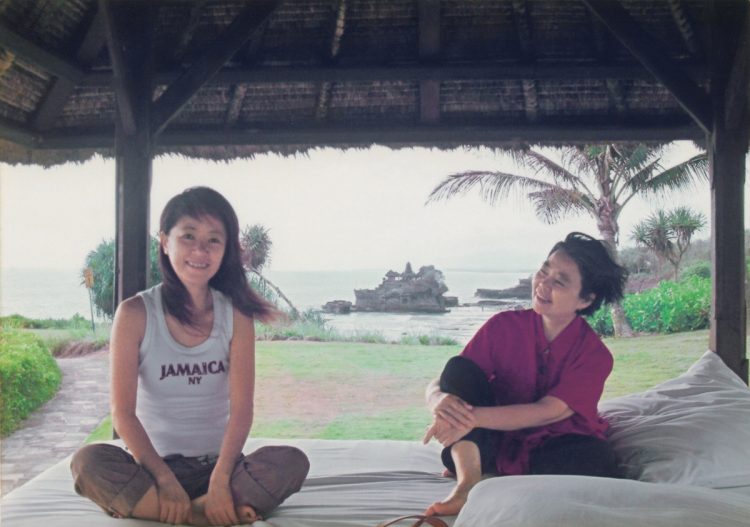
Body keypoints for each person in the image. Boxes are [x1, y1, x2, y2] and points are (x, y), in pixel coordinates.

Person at [70, 187, 309, 525]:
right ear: (165, 242)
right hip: (153, 468)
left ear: (225, 250)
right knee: (88, 462)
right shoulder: (135, 313)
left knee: (291, 462)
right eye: (188, 236)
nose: (200, 249)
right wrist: (165, 479)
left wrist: (222, 479)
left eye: (214, 240)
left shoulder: (236, 315)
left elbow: (242, 410)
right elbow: (122, 414)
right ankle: (204, 514)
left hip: (221, 467)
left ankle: (178, 508)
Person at [423, 232, 627, 517]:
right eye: (544, 271)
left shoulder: (595, 355)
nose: (543, 283)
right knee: (458, 369)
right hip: (492, 436)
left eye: (559, 281)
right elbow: (455, 377)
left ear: (585, 299)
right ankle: (468, 482)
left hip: (551, 444)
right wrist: (437, 400)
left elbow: (548, 412)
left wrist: (463, 420)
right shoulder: (502, 326)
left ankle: (485, 465)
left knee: (597, 459)